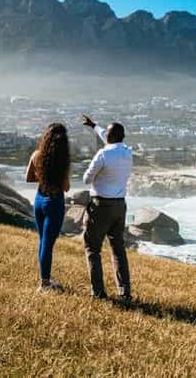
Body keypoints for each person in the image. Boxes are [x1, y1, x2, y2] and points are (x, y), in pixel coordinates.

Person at [81, 114, 132, 301]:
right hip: (120, 205)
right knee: (118, 248)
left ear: (109, 138)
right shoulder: (127, 152)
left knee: (92, 248)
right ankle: (124, 291)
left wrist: (97, 175)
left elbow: (87, 178)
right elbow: (108, 137)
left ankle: (98, 292)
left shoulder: (102, 154)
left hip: (100, 205)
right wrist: (94, 126)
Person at [25, 123, 71, 291]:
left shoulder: (36, 155)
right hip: (54, 201)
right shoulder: (63, 161)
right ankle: (44, 283)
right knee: (48, 244)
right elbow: (66, 187)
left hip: (39, 199)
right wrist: (56, 179)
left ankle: (45, 278)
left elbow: (28, 178)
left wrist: (44, 178)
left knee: (43, 241)